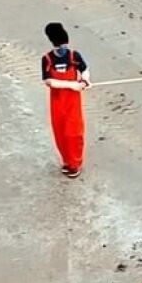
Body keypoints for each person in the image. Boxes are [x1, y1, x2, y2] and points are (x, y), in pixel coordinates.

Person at [42, 23, 90, 178]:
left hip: (72, 101)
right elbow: (49, 81)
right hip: (57, 102)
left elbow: (84, 69)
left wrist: (85, 80)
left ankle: (75, 163)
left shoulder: (74, 56)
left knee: (74, 133)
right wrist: (72, 85)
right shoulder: (47, 59)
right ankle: (67, 162)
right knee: (60, 133)